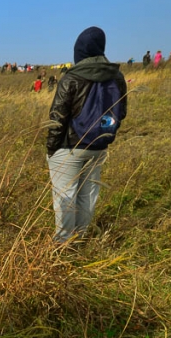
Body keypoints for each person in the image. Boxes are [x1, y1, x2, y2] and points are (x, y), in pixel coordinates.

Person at [45, 26, 128, 243]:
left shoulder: (71, 78)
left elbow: (57, 117)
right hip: (99, 146)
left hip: (69, 147)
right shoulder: (117, 76)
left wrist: (52, 149)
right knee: (88, 195)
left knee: (65, 196)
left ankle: (63, 245)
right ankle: (80, 240)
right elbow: (122, 112)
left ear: (79, 51)